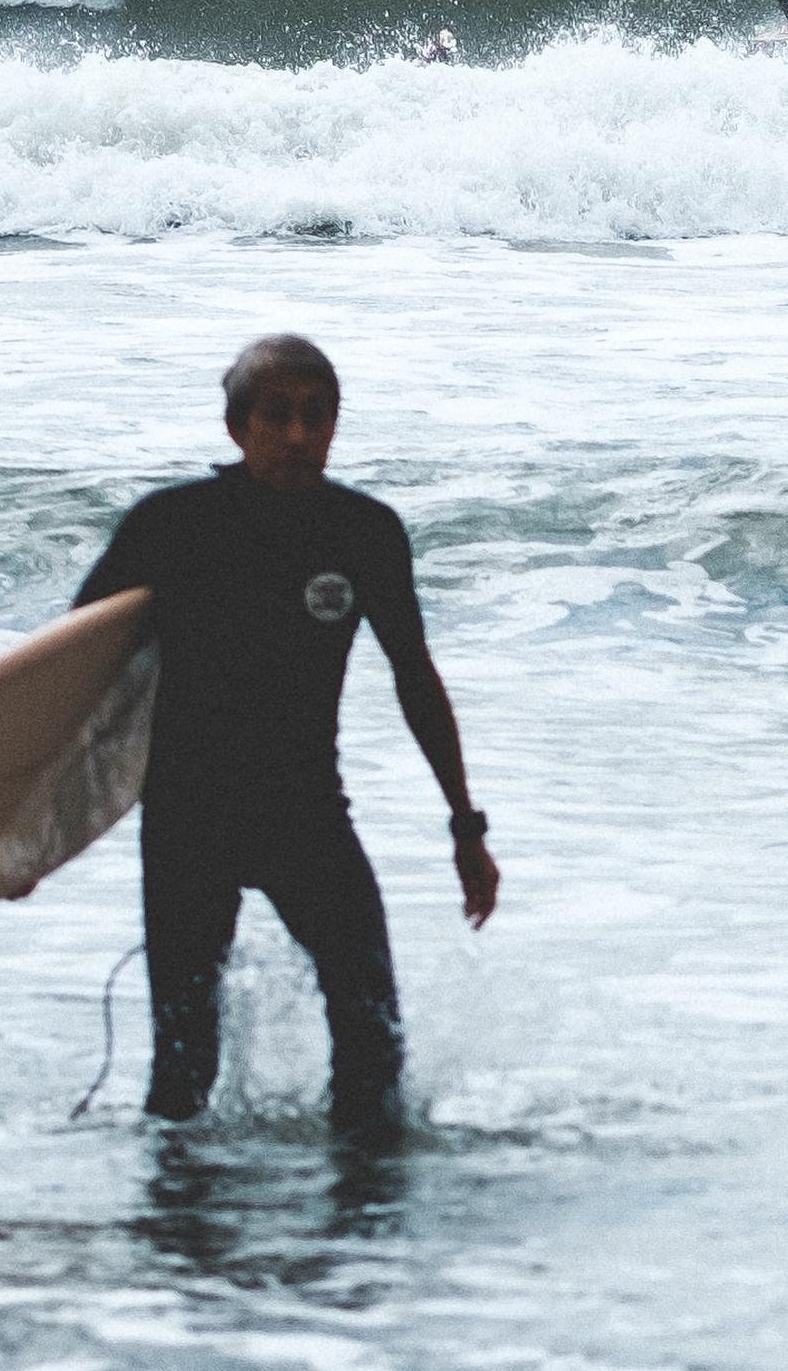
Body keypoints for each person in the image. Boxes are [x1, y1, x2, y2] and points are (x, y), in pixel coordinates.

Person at [74, 337, 498, 1136]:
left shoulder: (364, 533)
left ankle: (360, 1233)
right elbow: (71, 675)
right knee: (183, 1067)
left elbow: (415, 678)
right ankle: (180, 1242)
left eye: (316, 417)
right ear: (237, 427)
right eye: (277, 416)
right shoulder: (169, 527)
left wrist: (465, 825)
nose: (298, 435)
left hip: (305, 813)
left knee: (372, 1034)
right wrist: (27, 832)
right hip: (188, 816)